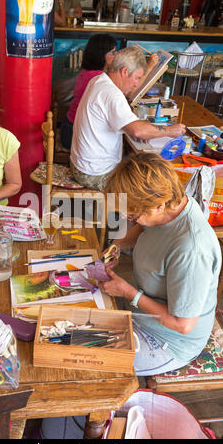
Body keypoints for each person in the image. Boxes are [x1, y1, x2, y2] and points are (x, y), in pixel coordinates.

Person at [100, 152, 221, 376]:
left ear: (158, 205)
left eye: (133, 215)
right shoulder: (171, 207)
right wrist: (118, 245)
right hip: (141, 314)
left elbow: (182, 324)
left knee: (94, 364)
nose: (129, 218)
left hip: (168, 340)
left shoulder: (191, 249)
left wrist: (129, 293)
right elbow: (147, 226)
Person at [70, 46, 186, 191]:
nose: (137, 84)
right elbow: (137, 131)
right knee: (151, 187)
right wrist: (169, 130)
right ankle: (123, 213)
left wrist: (143, 130)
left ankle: (119, 212)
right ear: (125, 71)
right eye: (137, 78)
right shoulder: (111, 94)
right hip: (94, 174)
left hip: (82, 166)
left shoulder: (99, 80)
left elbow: (133, 128)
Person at [60, 33, 117, 150]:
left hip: (70, 127)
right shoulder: (97, 77)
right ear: (101, 55)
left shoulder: (88, 72)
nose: (115, 56)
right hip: (74, 133)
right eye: (112, 52)